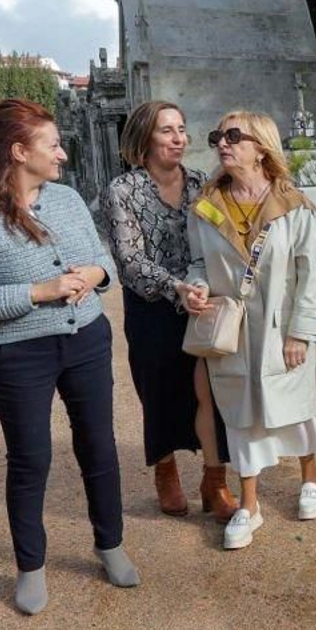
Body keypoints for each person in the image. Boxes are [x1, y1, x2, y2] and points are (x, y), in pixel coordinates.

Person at [0, 98, 138, 615]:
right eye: (53, 145)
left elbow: (102, 259)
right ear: (19, 151)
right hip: (19, 354)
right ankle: (31, 566)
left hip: (87, 339)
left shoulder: (68, 199)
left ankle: (110, 543)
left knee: (99, 446)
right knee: (31, 459)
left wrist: (94, 275)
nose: (62, 154)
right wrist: (37, 292)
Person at [185, 110, 316, 550]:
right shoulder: (205, 207)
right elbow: (198, 262)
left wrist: (300, 333)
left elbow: (310, 275)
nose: (222, 144)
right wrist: (195, 286)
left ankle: (312, 477)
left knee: (295, 407)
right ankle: (249, 505)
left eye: (233, 136)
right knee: (240, 415)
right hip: (232, 329)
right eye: (218, 136)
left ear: (261, 147)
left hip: (282, 328)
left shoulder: (294, 205)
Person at [103, 100, 238, 522]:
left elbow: (224, 236)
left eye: (181, 129)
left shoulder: (203, 184)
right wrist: (174, 287)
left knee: (212, 391)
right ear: (144, 137)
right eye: (167, 130)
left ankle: (215, 480)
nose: (179, 138)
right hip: (152, 306)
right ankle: (166, 471)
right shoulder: (123, 191)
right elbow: (129, 260)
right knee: (158, 390)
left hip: (202, 301)